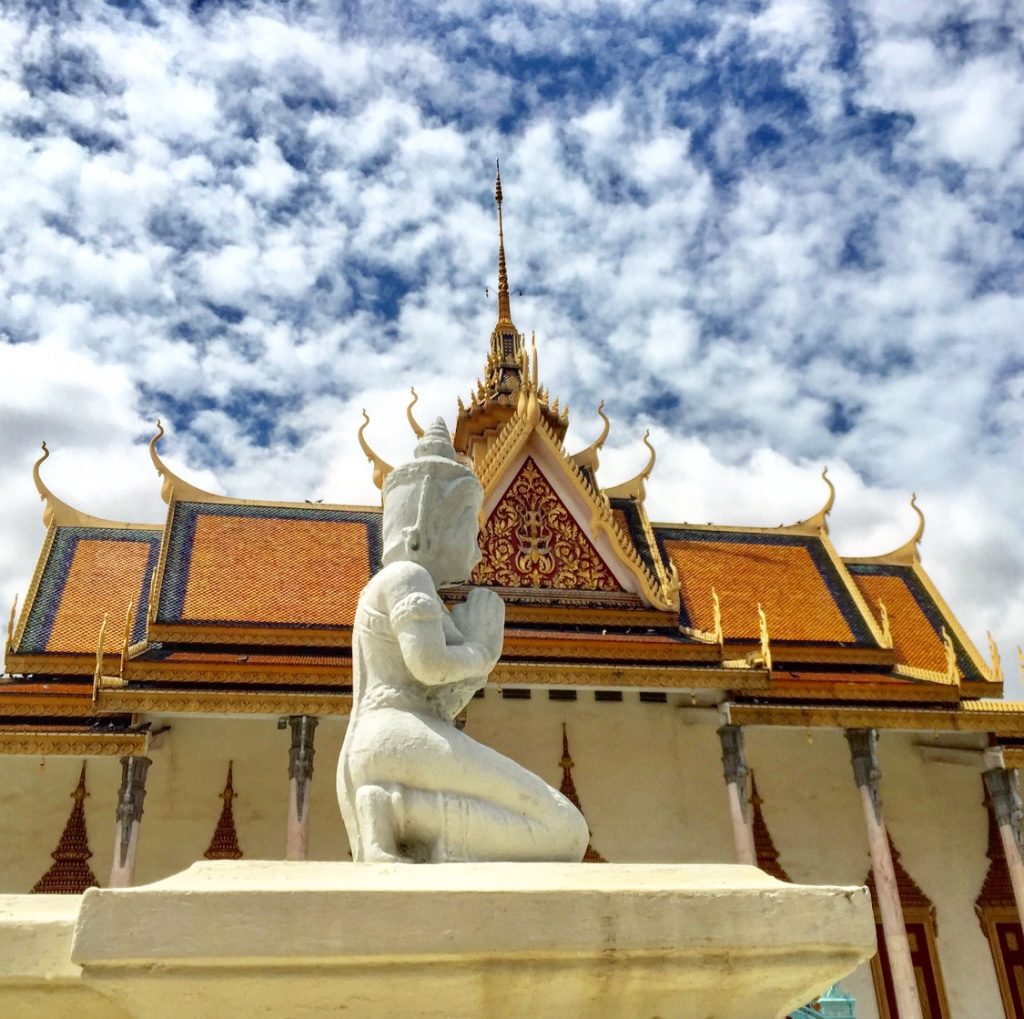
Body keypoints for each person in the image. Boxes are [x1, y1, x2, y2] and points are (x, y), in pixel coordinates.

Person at [337, 418, 589, 863]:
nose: (477, 553)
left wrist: (476, 661)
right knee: (563, 829)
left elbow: (441, 698)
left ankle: (400, 812)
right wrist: (481, 651)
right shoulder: (405, 576)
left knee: (560, 830)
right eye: (471, 535)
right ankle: (395, 812)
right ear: (422, 530)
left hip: (395, 744)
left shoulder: (418, 593)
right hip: (394, 736)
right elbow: (430, 666)